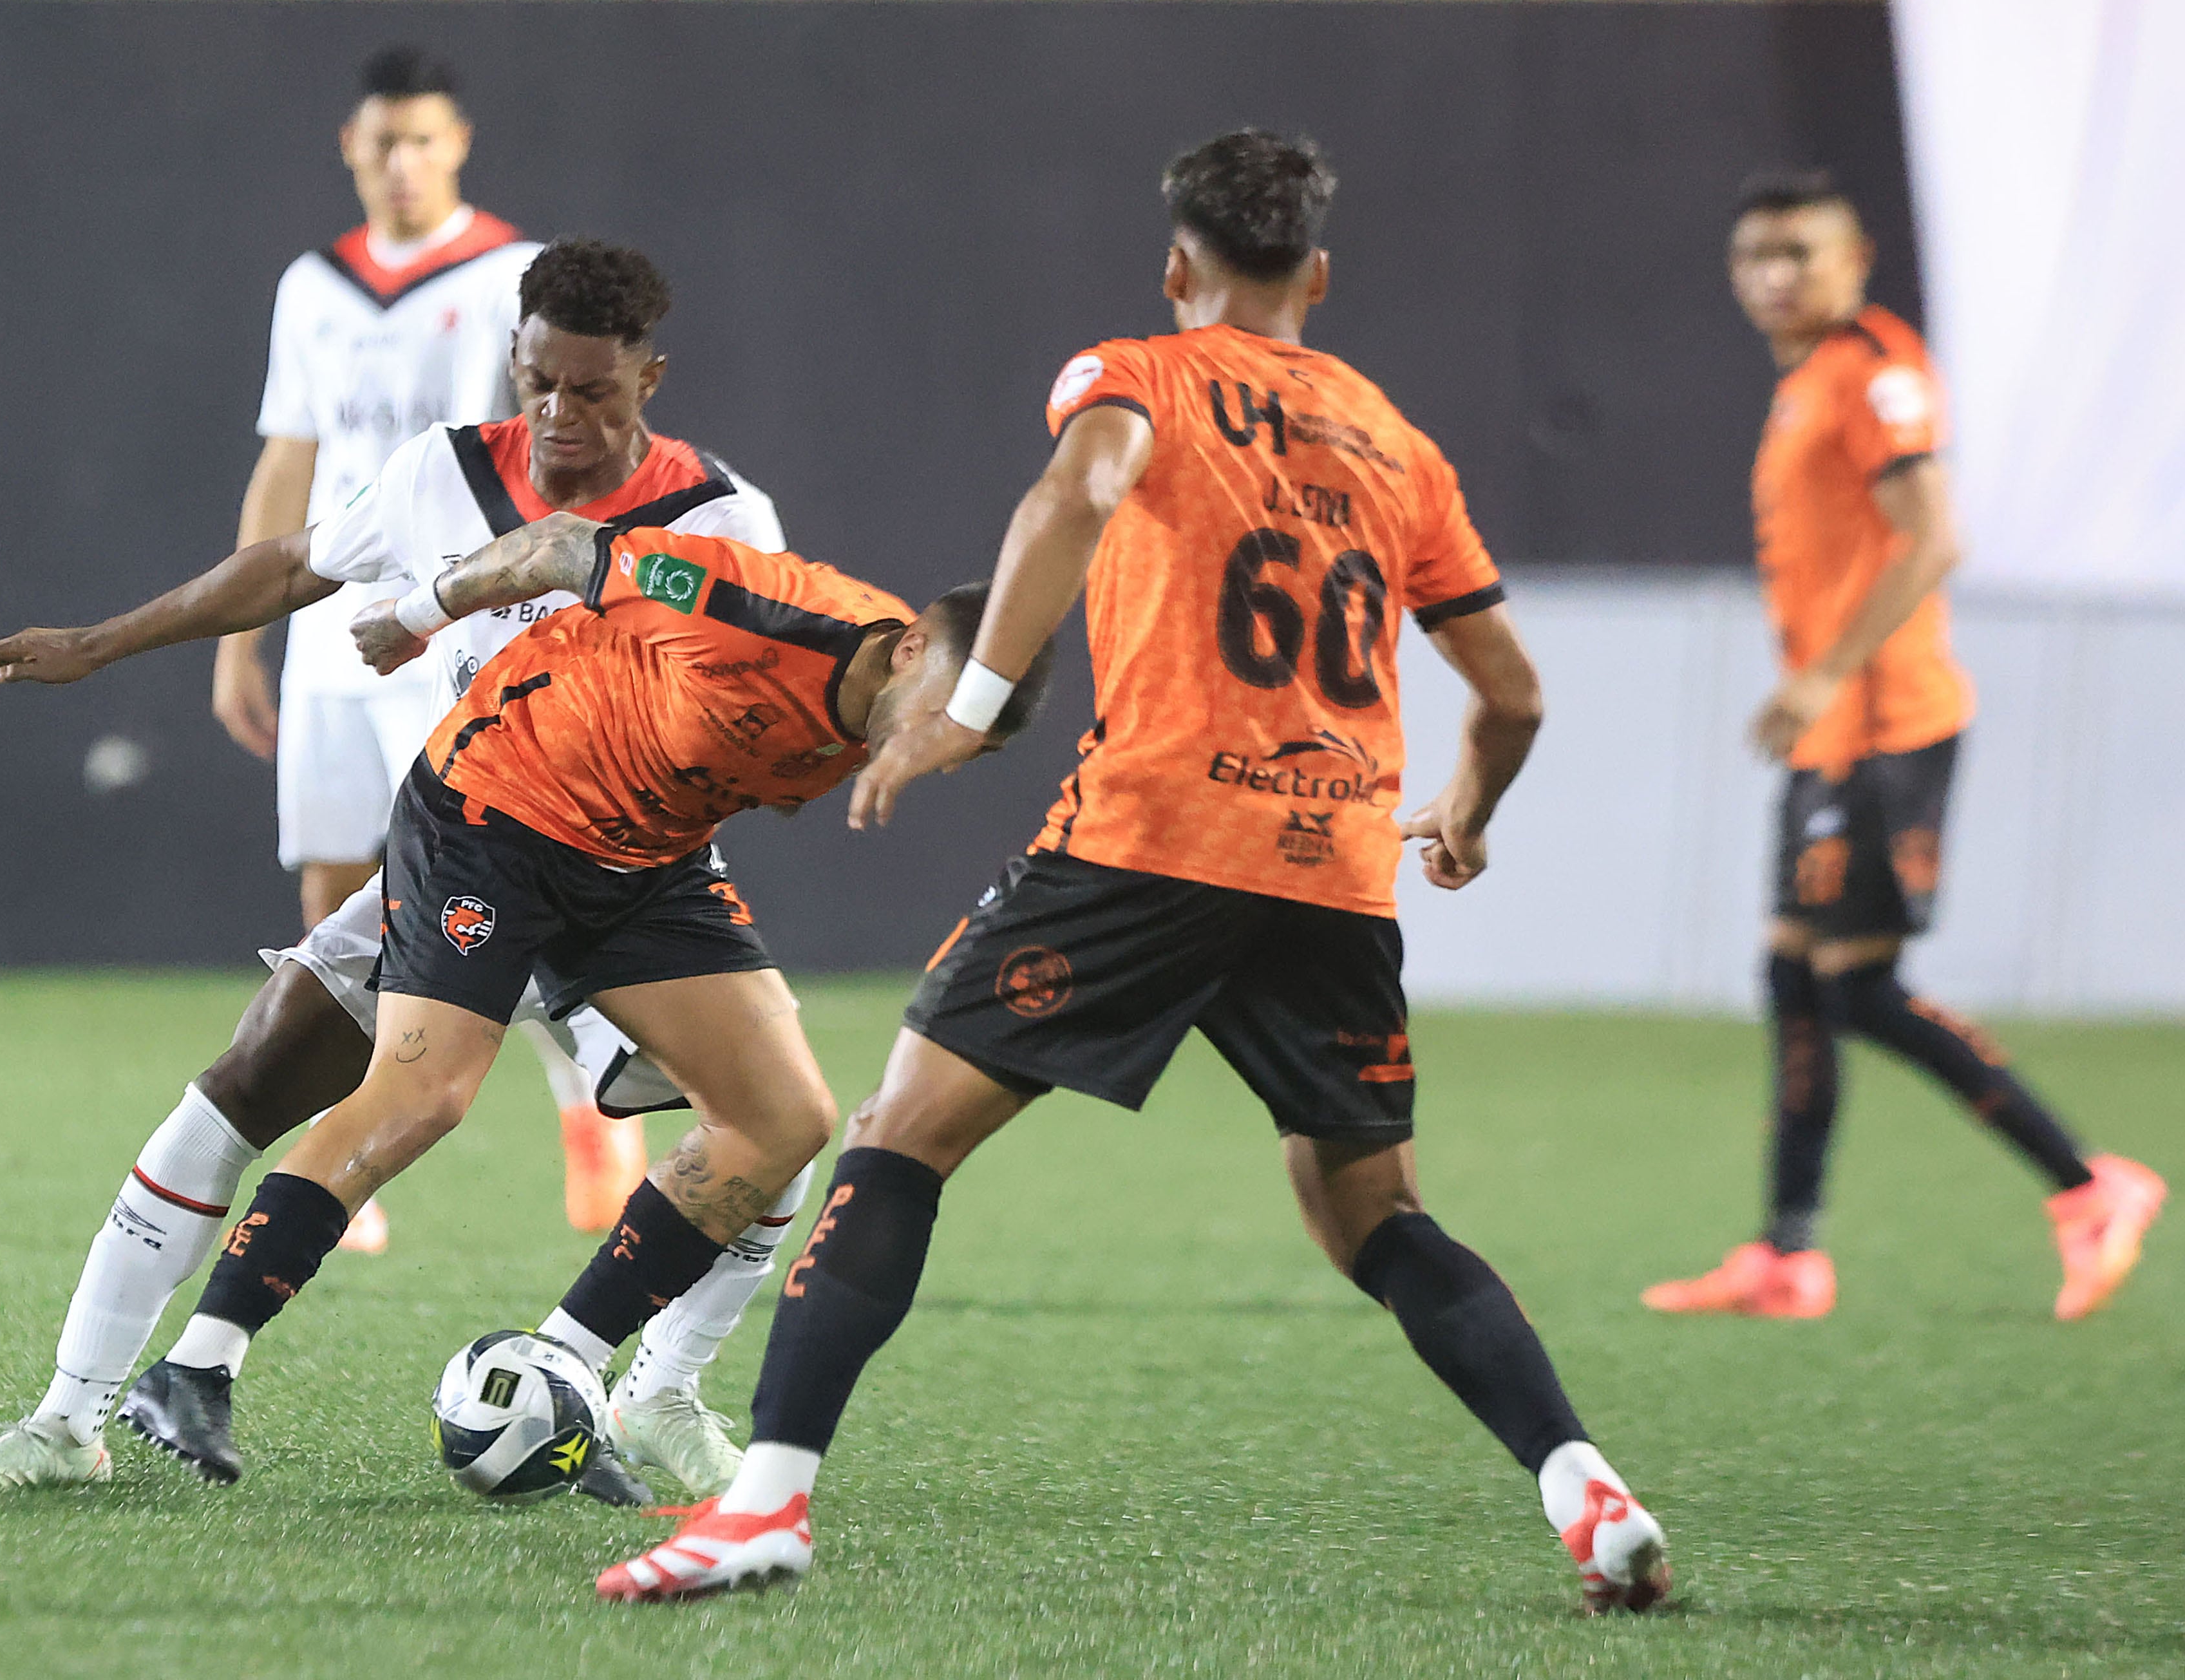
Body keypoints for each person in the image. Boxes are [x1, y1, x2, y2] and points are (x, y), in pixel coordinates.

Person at [601, 129, 1671, 1614]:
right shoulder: (1394, 443)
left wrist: (966, 711)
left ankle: (766, 1503)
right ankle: (1585, 1487)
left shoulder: (1137, 374)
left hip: (1154, 837)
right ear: (1317, 274)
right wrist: (1466, 813)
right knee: (1378, 1216)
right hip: (1332, 859)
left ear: (1177, 267)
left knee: (899, 1137)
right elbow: (1513, 695)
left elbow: (1074, 494)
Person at [0, 241, 811, 1499]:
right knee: (244, 1083)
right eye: (540, 381)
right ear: (516, 358)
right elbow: (287, 566)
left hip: (628, 872)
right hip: (469, 849)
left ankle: (658, 1386)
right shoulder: (439, 471)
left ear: (650, 379)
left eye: (594, 392)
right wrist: (100, 641)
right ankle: (71, 1417)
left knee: (780, 1125)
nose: (559, 415)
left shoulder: (722, 515)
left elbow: (766, 687)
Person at [32, 508, 1052, 1489]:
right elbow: (567, 549)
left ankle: (559, 1374)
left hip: (644, 860)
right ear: (911, 648)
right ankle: (196, 1368)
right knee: (424, 1092)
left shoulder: (887, 721)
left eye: (981, 743)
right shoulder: (767, 606)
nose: (953, 745)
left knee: (784, 1121)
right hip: (497, 809)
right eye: (957, 714)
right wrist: (422, 609)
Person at [1640, 173, 2164, 1324]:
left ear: (1857, 256)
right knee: (1793, 972)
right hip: (1830, 729)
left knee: (1860, 989)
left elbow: (1936, 538)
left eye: (1800, 252)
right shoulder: (1807, 382)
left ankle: (2089, 1185)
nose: (1777, 274)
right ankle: (1787, 1255)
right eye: (1756, 255)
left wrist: (1826, 670)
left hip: (1885, 721)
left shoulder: (1877, 371)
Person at [218, 43, 642, 1243]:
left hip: (454, 625)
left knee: (506, 878)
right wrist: (237, 642)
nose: (400, 161)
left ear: (456, 146)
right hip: (330, 633)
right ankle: (340, 1142)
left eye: (422, 140)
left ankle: (597, 1105)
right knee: (334, 888)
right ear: (351, 149)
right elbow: (289, 455)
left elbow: (549, 451)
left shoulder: (510, 273)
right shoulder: (315, 285)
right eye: (380, 141)